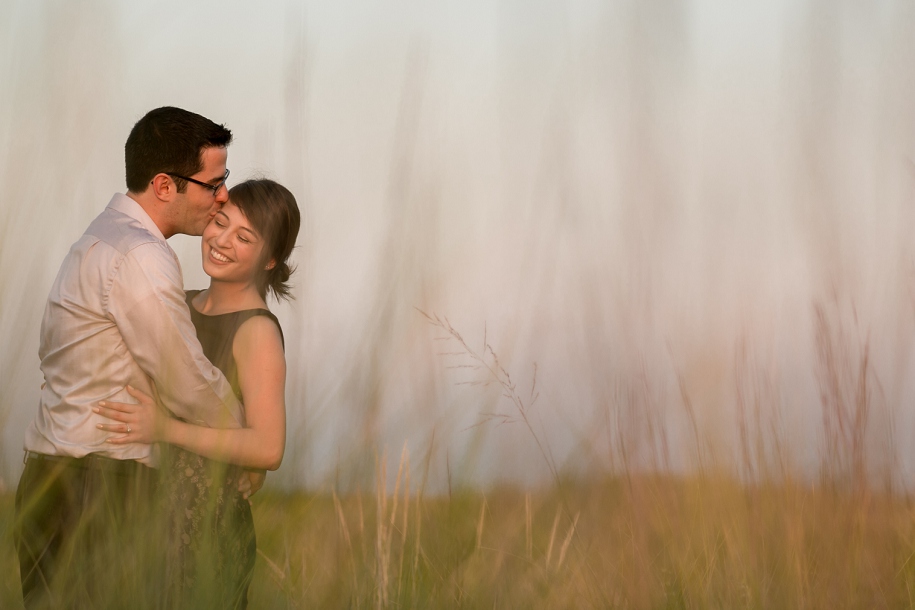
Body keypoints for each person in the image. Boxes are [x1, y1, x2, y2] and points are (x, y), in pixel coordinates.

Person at [14, 106, 247, 608]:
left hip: (47, 483)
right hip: (100, 492)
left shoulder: (94, 239)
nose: (223, 194)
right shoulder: (140, 254)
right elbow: (186, 380)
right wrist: (241, 438)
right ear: (165, 186)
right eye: (213, 183)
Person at [95, 179, 300, 609]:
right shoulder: (177, 303)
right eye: (220, 222)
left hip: (207, 530)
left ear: (270, 260)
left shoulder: (257, 331)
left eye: (244, 237)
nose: (221, 241)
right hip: (145, 518)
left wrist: (166, 430)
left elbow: (268, 447)